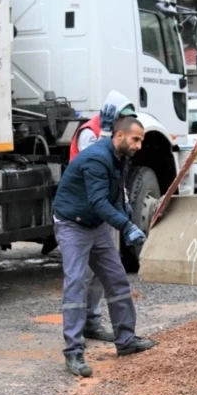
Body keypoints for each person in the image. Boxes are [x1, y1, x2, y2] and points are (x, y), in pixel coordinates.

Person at [50, 115, 157, 377]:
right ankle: (74, 352)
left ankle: (126, 341)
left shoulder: (120, 157)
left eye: (141, 140)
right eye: (135, 139)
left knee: (117, 280)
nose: (139, 145)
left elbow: (115, 194)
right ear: (119, 136)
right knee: (76, 283)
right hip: (72, 225)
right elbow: (98, 202)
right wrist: (126, 226)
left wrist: (125, 211)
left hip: (95, 225)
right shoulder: (98, 158)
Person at [67, 91, 138, 342]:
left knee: (105, 274)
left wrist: (124, 203)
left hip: (101, 214)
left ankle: (93, 323)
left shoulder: (116, 137)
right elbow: (98, 173)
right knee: (82, 276)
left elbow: (117, 177)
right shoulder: (90, 133)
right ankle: (78, 334)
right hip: (82, 214)